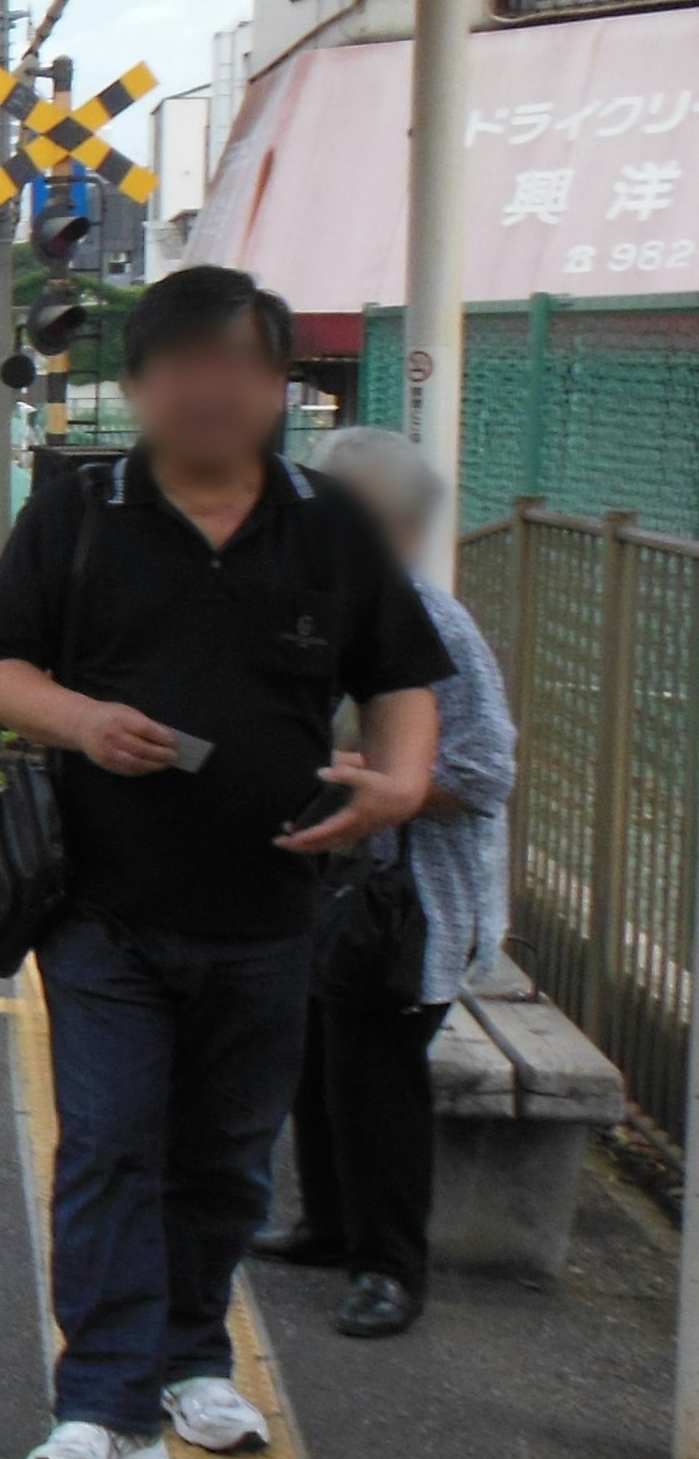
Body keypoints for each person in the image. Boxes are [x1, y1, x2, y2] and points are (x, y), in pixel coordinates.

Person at [0, 266, 449, 1459]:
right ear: (137, 384)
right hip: (103, 907)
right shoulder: (79, 510)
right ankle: (104, 1399)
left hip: (271, 908)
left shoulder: (327, 524)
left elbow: (401, 673)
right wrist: (80, 719)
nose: (212, 386)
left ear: (283, 384)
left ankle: (192, 1358)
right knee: (112, 1145)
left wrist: (396, 783)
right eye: (183, 361)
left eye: (240, 361)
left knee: (228, 1156)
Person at [259, 426, 515, 1337]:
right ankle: (329, 1228)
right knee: (319, 1060)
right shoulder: (328, 606)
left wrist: (372, 778)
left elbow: (485, 770)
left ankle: (390, 1267)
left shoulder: (430, 621)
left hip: (412, 906)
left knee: (376, 1084)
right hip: (338, 894)